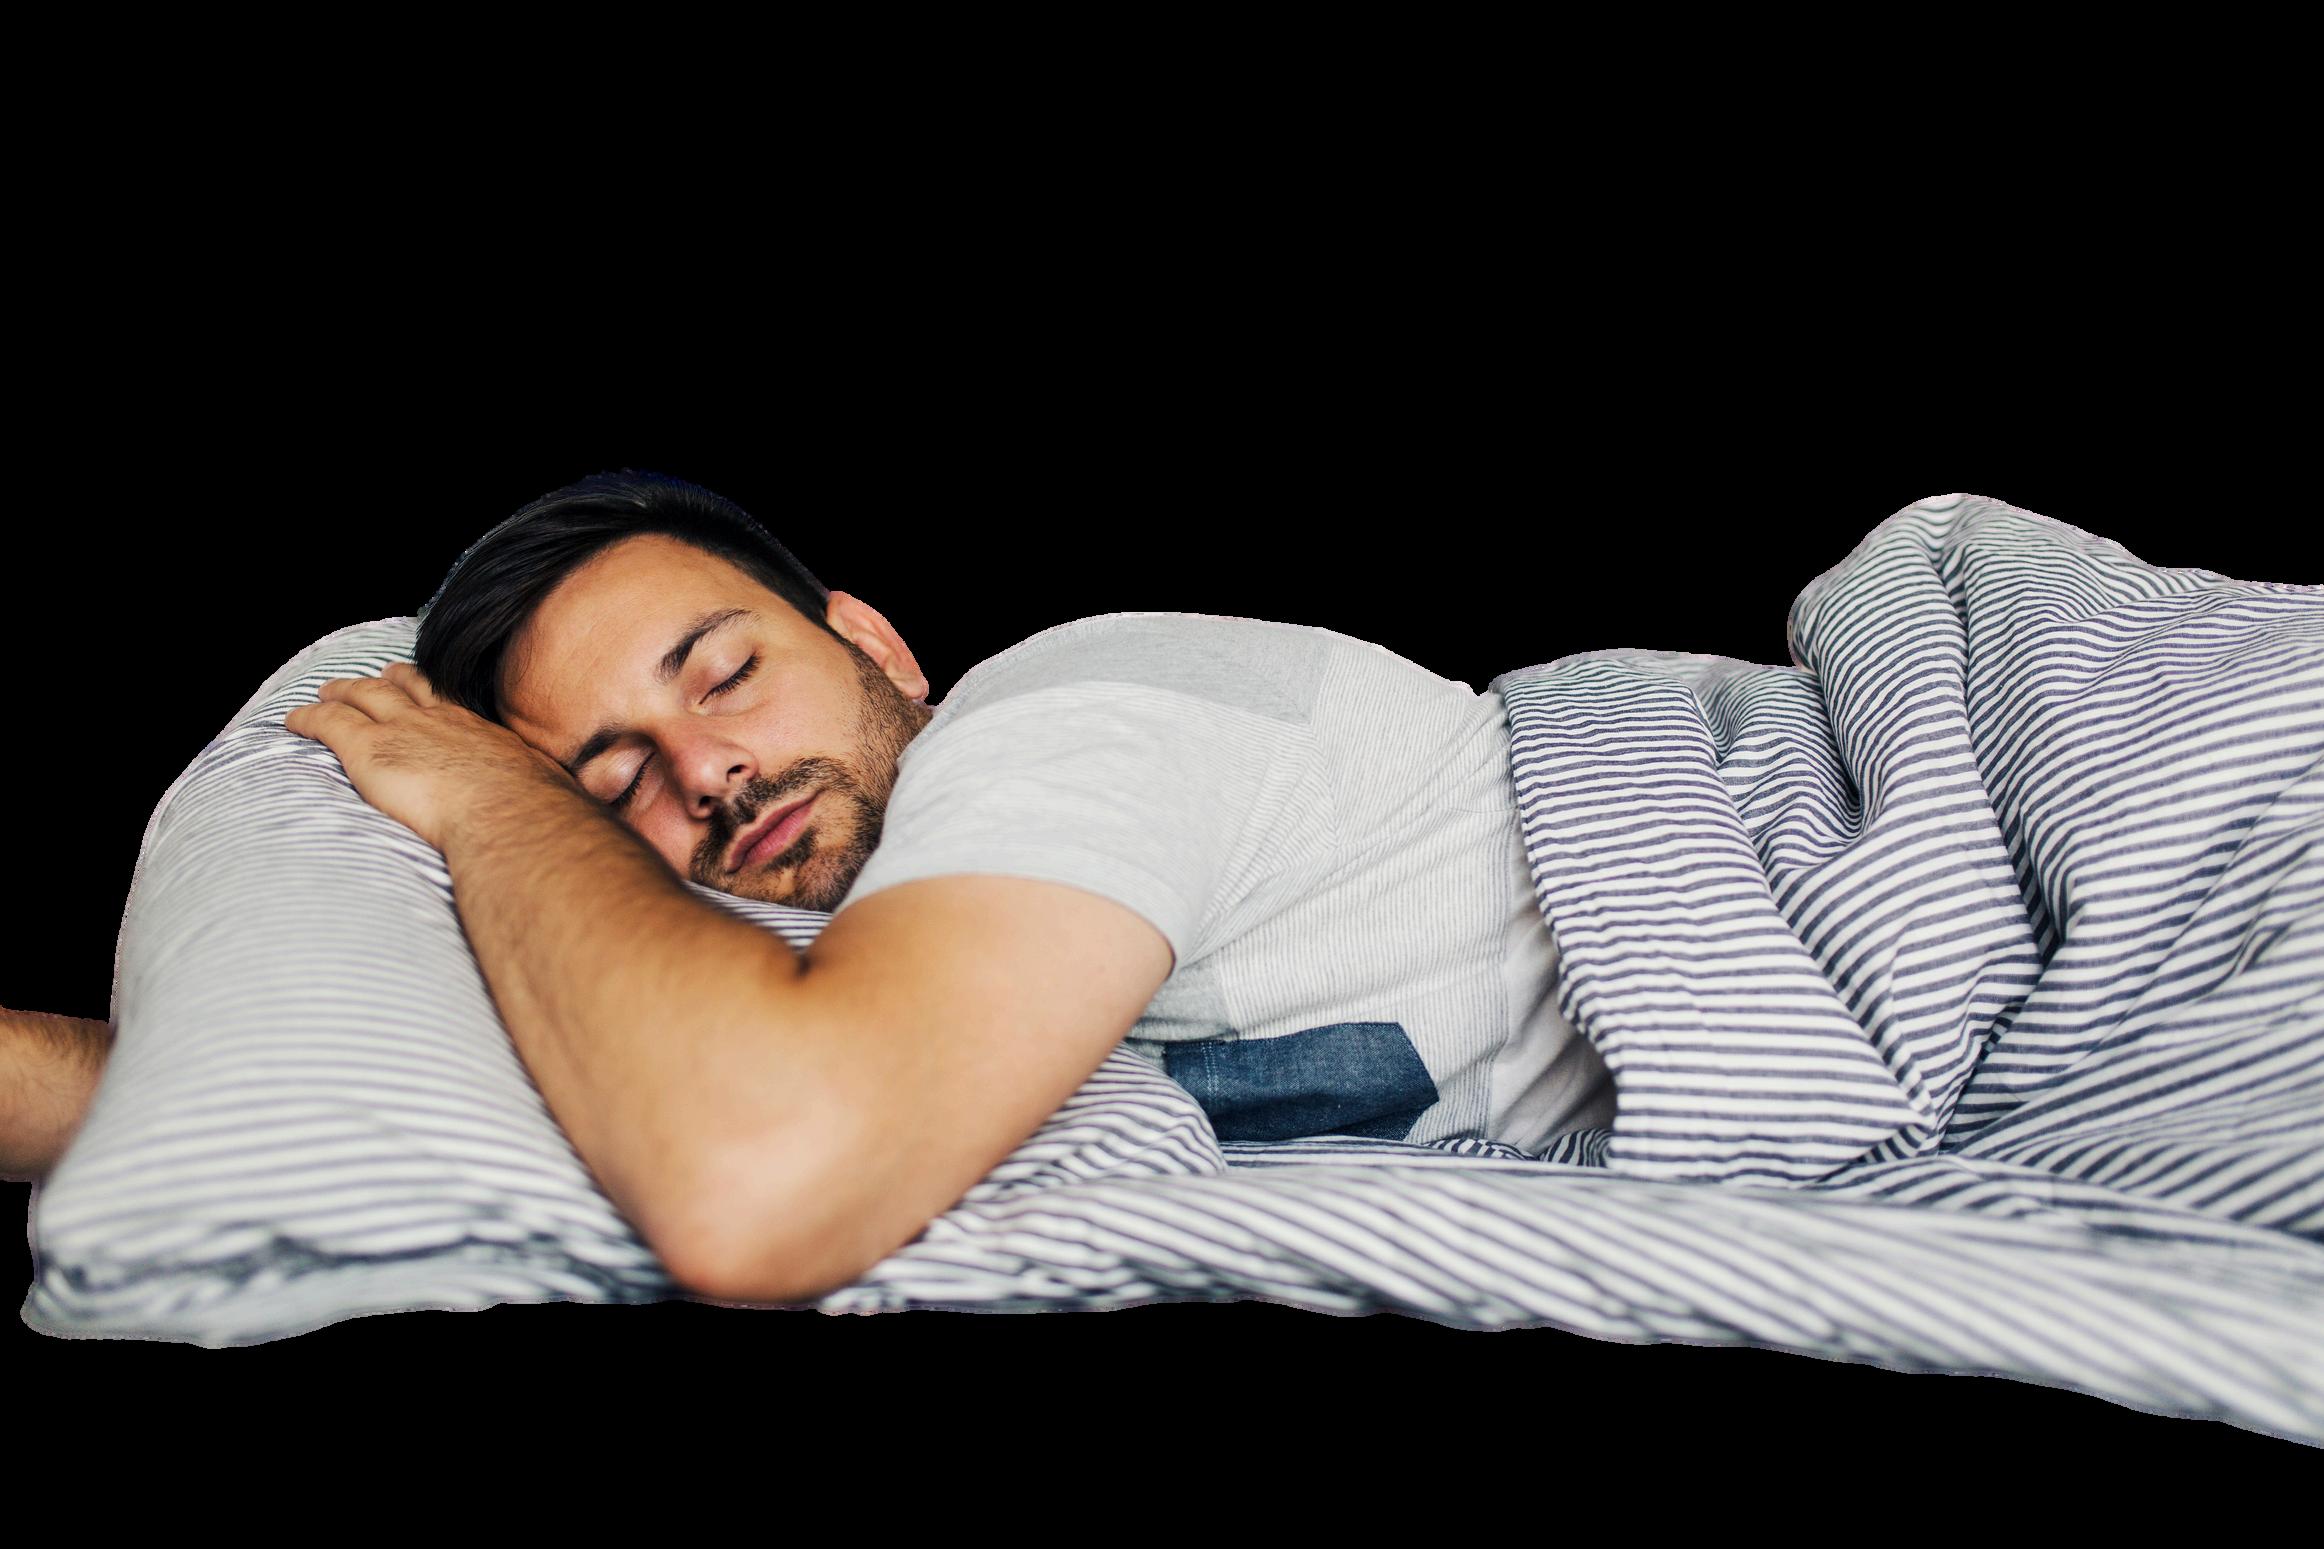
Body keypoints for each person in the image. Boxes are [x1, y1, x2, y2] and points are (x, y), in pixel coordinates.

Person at [3, 469, 1614, 1300]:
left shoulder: (1079, 712)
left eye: (726, 674)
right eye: (614, 785)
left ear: (877, 644)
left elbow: (761, 1180)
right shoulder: (829, 956)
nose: (709, 774)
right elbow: (323, 1098)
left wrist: (496, 797)